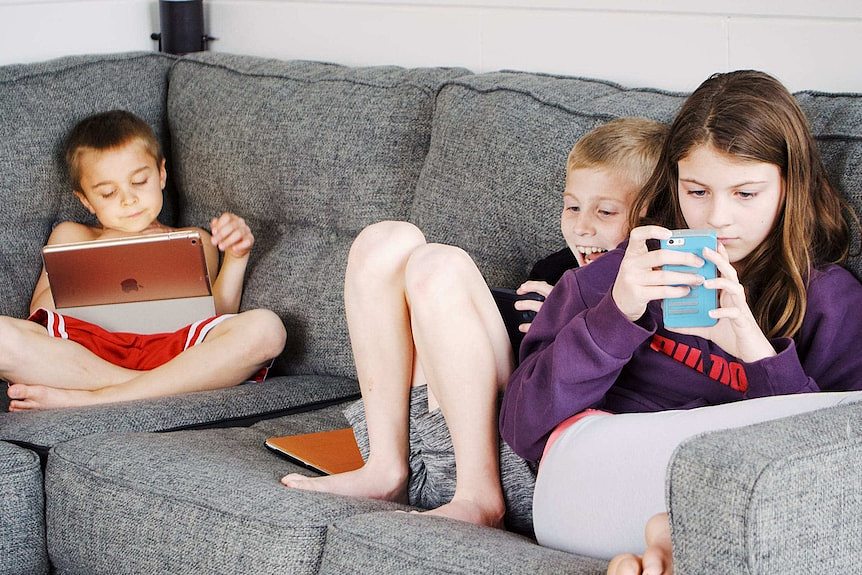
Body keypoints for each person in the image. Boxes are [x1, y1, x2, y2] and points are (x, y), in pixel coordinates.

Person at [498, 70, 862, 574]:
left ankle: (669, 541)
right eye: (697, 191)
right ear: (674, 184)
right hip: (590, 485)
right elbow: (522, 425)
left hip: (738, 502)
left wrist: (757, 355)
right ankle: (673, 532)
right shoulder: (617, 274)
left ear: (788, 186)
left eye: (746, 194)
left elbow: (837, 476)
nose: (717, 218)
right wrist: (615, 317)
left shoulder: (829, 301)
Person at [281, 118, 668, 530]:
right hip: (426, 443)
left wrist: (564, 328)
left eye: (605, 211)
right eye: (571, 206)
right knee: (385, 240)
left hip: (518, 463)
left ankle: (480, 498)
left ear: (649, 217)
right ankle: (384, 470)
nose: (581, 226)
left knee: (438, 266)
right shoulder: (555, 269)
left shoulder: (653, 289)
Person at [2, 109, 286, 411]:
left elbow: (217, 313)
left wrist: (236, 256)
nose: (128, 199)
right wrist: (108, 246)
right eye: (108, 193)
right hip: (85, 352)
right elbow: (41, 311)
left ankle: (100, 397)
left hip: (173, 349)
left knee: (267, 329)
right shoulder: (71, 234)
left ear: (161, 174)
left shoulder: (194, 239)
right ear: (86, 200)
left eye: (139, 181)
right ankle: (153, 385)